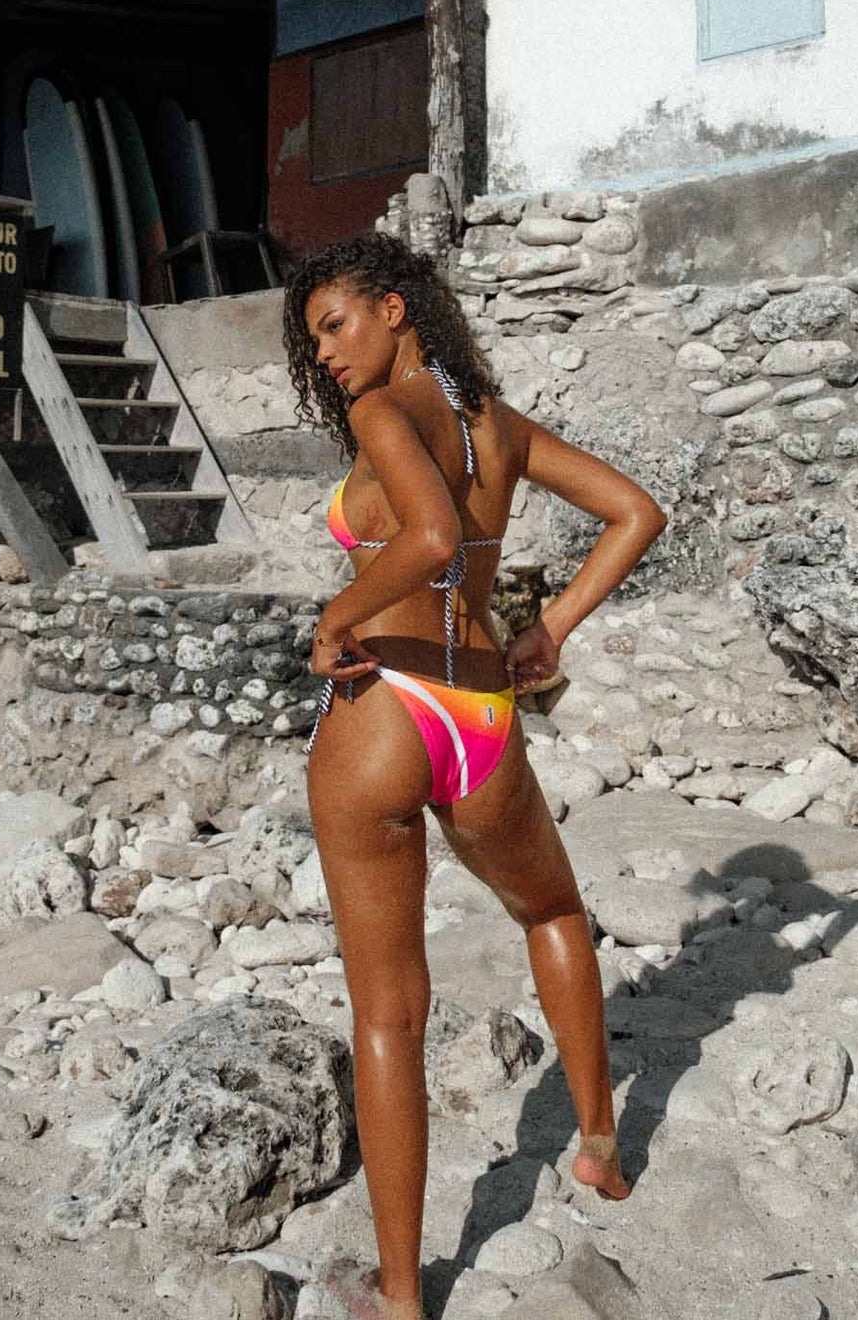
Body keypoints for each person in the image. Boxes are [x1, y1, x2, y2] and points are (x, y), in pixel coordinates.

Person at [281, 233, 668, 1320]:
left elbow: (428, 533)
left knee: (389, 1015)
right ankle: (599, 1145)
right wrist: (547, 629)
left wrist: (335, 616)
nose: (325, 356)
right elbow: (637, 513)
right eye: (312, 340)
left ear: (397, 309)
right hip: (481, 714)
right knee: (553, 908)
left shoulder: (383, 416)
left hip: (386, 710)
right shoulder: (497, 425)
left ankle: (403, 1295)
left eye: (336, 324)